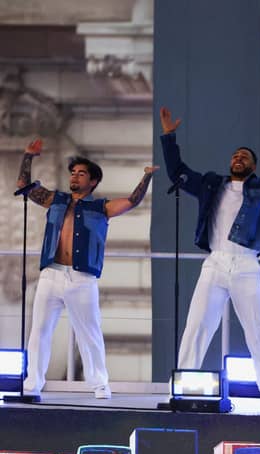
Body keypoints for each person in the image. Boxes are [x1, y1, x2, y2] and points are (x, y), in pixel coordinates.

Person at [159, 107, 260, 406]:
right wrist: (169, 137)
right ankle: (179, 384)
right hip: (215, 263)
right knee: (197, 325)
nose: (238, 158)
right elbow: (177, 172)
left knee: (258, 328)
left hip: (246, 264)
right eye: (235, 155)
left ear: (254, 166)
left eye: (245, 156)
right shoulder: (211, 183)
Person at [17, 138, 159, 399]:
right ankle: (32, 382)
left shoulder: (100, 207)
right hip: (51, 273)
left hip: (82, 278)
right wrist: (28, 156)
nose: (75, 176)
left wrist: (146, 177)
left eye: (81, 173)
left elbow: (132, 201)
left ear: (92, 181)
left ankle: (99, 383)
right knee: (39, 330)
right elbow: (24, 187)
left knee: (89, 333)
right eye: (73, 172)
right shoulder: (56, 200)